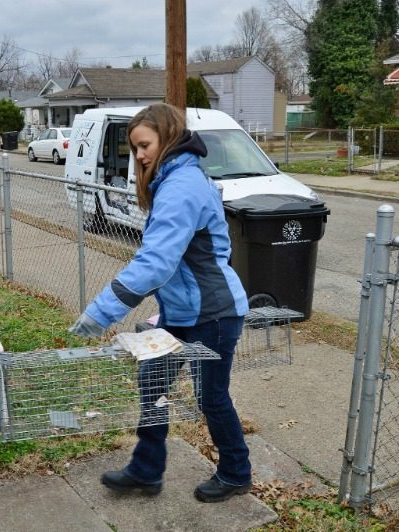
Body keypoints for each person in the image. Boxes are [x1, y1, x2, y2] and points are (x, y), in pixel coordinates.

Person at [69, 103, 252, 503]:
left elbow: (156, 262)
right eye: (134, 148)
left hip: (214, 316)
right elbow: (175, 263)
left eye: (145, 145)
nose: (139, 156)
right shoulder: (172, 181)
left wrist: (100, 313)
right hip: (181, 312)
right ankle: (146, 470)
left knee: (212, 397)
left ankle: (237, 472)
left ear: (167, 137)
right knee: (152, 382)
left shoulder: (182, 186)